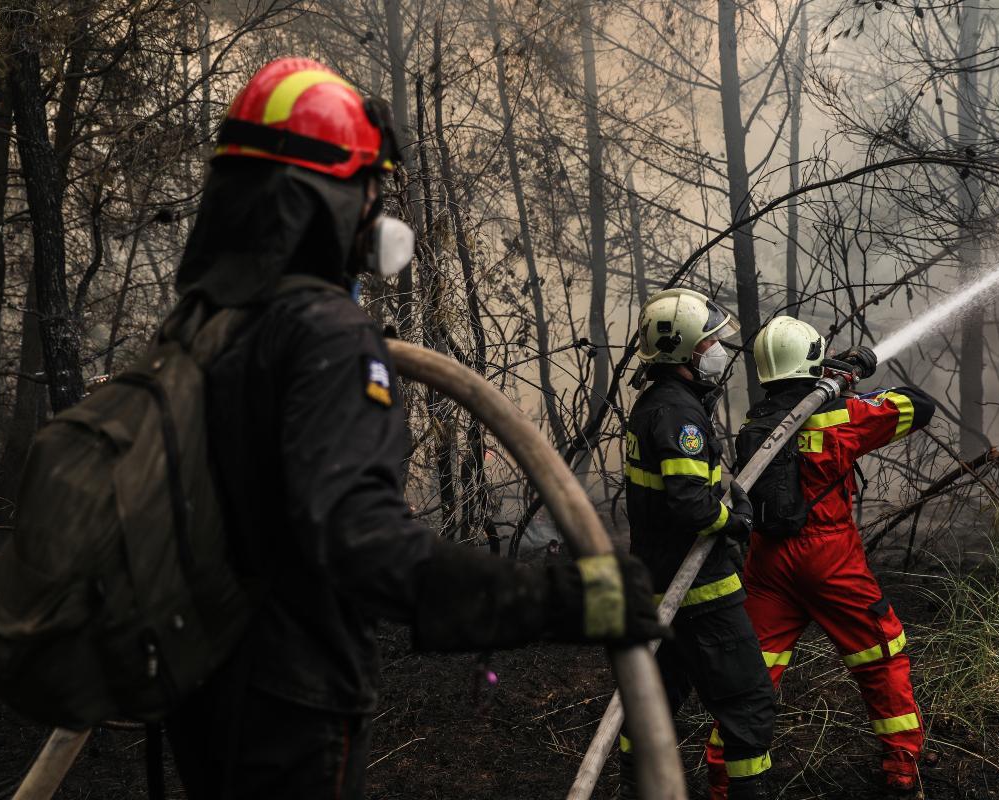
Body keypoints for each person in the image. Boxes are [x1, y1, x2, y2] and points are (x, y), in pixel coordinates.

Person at [165, 57, 663, 799]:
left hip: (204, 694)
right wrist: (560, 598)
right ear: (327, 197)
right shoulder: (323, 335)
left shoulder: (202, 330)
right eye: (369, 188)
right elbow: (359, 540)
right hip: (292, 709)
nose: (377, 212)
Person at [705, 316, 935, 797]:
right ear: (813, 359)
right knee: (881, 654)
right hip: (829, 558)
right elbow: (919, 405)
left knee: (752, 673)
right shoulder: (842, 417)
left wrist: (831, 379)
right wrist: (851, 377)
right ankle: (901, 767)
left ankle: (725, 779)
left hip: (767, 564)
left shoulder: (755, 424)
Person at [620, 289, 777, 800]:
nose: (719, 348)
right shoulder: (677, 415)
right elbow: (692, 507)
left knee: (653, 701)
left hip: (659, 583)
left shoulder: (659, 404)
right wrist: (734, 520)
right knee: (748, 700)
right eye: (711, 339)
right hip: (698, 590)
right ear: (686, 349)